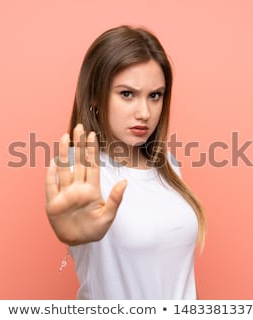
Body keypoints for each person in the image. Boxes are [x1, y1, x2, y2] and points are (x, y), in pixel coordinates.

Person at [45, 25, 206, 299]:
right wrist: (74, 238)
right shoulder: (80, 170)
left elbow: (180, 278)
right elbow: (77, 223)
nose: (144, 113)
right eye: (127, 94)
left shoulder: (168, 166)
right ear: (96, 96)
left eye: (155, 95)